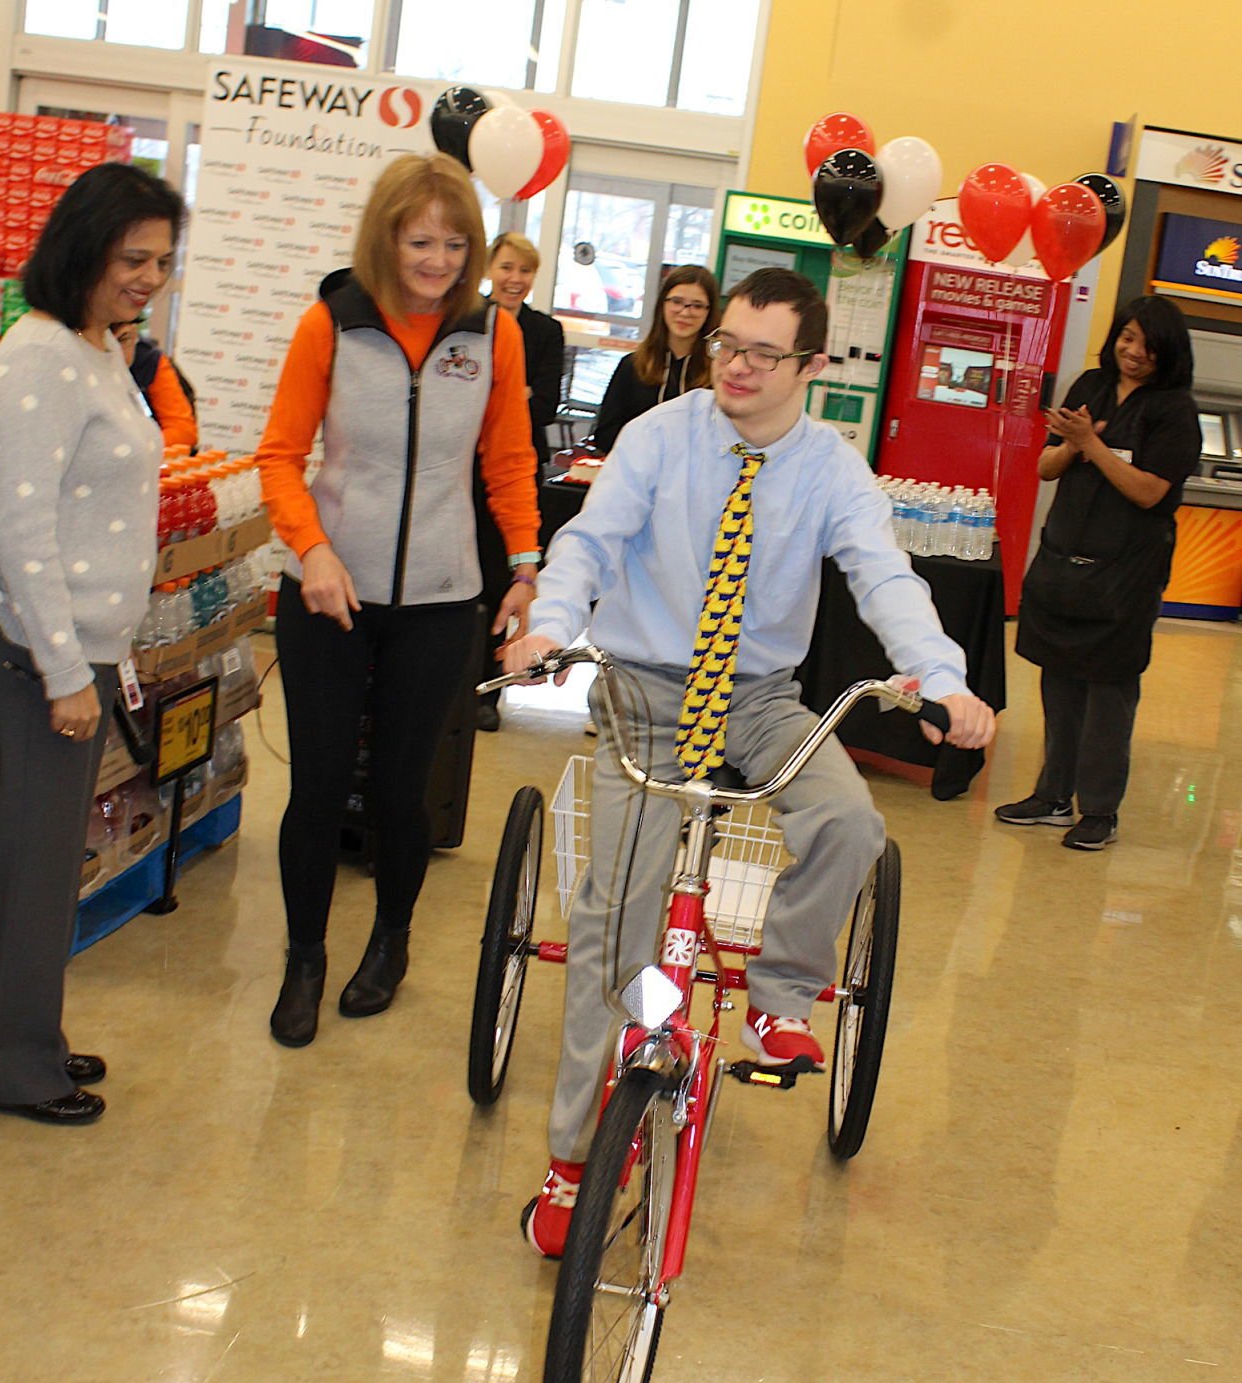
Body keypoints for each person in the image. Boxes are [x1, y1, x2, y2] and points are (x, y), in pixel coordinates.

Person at [504, 267, 996, 1256]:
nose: (738, 366)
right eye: (729, 344)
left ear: (811, 364)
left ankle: (777, 999)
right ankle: (569, 1163)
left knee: (851, 821)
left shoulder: (831, 467)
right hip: (643, 691)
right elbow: (591, 543)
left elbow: (883, 578)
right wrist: (551, 626)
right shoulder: (660, 437)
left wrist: (942, 677)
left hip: (760, 702)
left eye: (765, 354)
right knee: (614, 930)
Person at [256, 153, 540, 1049]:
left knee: (401, 790)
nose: (440, 261)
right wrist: (313, 552)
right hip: (328, 597)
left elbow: (508, 462)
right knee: (318, 784)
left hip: (440, 599)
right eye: (421, 241)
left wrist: (526, 566)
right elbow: (278, 457)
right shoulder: (327, 326)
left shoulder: (492, 335)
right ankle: (305, 958)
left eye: (457, 243)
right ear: (386, 238)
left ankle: (390, 940)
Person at [0, 163, 182, 1125]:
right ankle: (6, 1066)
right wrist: (61, 669)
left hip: (73, 645)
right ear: (82, 246)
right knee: (36, 862)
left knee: (49, 863)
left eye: (164, 261)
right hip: (29, 648)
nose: (149, 276)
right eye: (134, 257)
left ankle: (31, 1037)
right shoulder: (41, 356)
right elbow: (18, 531)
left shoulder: (96, 347)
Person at [996, 297, 1201, 851]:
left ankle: (1100, 811)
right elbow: (1045, 467)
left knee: (1110, 692)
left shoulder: (1174, 410)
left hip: (1125, 574)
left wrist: (1092, 444)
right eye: (1127, 337)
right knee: (1058, 680)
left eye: (1146, 344)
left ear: (1167, 353)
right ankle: (1052, 796)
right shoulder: (1090, 384)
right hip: (1065, 560)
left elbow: (1150, 491)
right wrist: (1070, 444)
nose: (1133, 352)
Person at [474, 231, 564, 733]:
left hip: (517, 471)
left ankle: (489, 688)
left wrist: (500, 400)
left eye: (525, 271)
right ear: (490, 268)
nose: (515, 279)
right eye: (507, 267)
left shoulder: (546, 332)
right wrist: (514, 394)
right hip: (465, 472)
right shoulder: (467, 320)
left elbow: (545, 405)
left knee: (501, 580)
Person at [591, 265, 719, 455]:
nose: (685, 312)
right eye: (677, 301)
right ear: (662, 304)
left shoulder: (719, 372)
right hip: (637, 475)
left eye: (697, 305)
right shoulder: (632, 365)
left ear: (709, 311)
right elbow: (605, 433)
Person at [110, 318, 199, 452]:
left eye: (124, 339)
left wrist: (136, 450)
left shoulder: (151, 360)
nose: (116, 352)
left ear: (134, 334)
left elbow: (183, 432)